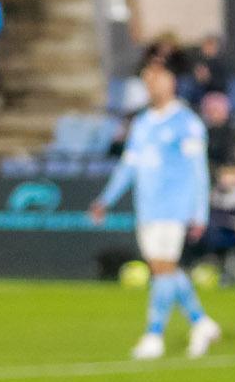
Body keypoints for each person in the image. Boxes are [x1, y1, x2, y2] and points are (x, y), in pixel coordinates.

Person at [89, 54, 220, 361]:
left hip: (174, 207)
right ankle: (201, 322)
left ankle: (154, 335)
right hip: (147, 208)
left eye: (156, 79)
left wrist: (199, 212)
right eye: (147, 80)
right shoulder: (143, 123)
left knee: (162, 270)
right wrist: (105, 199)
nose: (150, 85)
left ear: (170, 82)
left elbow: (198, 171)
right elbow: (128, 167)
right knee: (164, 270)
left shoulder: (187, 123)